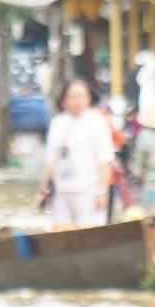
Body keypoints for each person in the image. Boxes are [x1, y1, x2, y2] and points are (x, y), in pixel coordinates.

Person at [39, 79, 113, 229]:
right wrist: (43, 189)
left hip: (88, 190)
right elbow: (50, 160)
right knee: (61, 231)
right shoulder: (58, 122)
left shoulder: (96, 122)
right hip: (62, 189)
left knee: (89, 231)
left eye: (82, 96)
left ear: (89, 98)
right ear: (64, 99)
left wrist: (103, 192)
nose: (78, 101)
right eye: (74, 97)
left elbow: (105, 161)